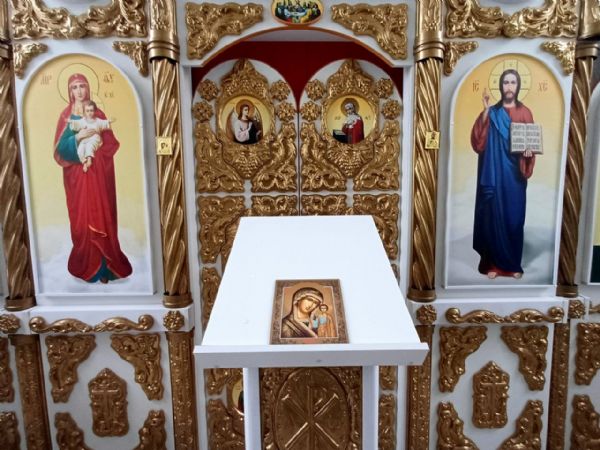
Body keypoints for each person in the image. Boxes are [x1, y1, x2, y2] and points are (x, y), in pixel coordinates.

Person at [54, 73, 132, 283]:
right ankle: (87, 266)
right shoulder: (66, 116)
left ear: (88, 88)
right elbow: (60, 150)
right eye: (74, 87)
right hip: (78, 177)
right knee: (82, 219)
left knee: (101, 217)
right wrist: (77, 138)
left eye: (82, 86)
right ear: (69, 91)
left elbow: (111, 143)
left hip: (97, 175)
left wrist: (97, 150)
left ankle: (106, 268)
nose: (79, 91)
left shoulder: (98, 113)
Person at [470, 69, 536, 279]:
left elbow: (531, 142)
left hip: (515, 176)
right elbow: (478, 142)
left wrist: (528, 153)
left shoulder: (525, 113)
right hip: (494, 174)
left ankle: (513, 264)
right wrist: (485, 111)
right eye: (506, 82)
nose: (509, 86)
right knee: (492, 216)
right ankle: (492, 265)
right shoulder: (492, 112)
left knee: (514, 219)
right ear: (500, 85)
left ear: (518, 86)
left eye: (513, 82)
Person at [68, 100, 113, 173]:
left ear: (94, 111)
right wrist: (71, 122)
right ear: (84, 112)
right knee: (80, 150)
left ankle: (89, 160)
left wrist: (109, 121)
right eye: (87, 111)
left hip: (94, 139)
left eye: (91, 110)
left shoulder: (98, 121)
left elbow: (104, 123)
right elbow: (77, 124)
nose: (89, 113)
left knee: (89, 146)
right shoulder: (82, 121)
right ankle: (84, 163)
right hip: (85, 140)